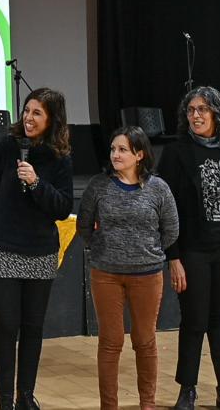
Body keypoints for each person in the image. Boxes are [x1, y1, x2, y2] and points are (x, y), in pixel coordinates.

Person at [0, 87, 74, 410]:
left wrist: (37, 183)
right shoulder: (7, 147)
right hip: (3, 247)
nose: (28, 118)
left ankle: (25, 395)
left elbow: (62, 207)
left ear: (52, 119)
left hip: (41, 252)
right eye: (27, 111)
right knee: (7, 325)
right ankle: (4, 400)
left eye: (37, 113)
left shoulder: (59, 158)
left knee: (33, 326)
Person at [156, 86, 220, 410]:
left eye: (203, 109)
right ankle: (187, 389)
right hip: (192, 250)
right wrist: (173, 257)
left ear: (216, 113)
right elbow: (166, 209)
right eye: (191, 110)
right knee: (194, 319)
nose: (196, 115)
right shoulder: (176, 153)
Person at [78, 126, 179, 410]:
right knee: (110, 343)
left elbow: (171, 230)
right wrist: (100, 249)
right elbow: (84, 226)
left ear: (139, 154)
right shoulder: (99, 186)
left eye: (122, 149)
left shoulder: (159, 189)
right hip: (106, 274)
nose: (115, 154)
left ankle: (148, 403)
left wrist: (149, 252)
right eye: (112, 149)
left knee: (145, 341)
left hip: (146, 275)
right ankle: (108, 405)